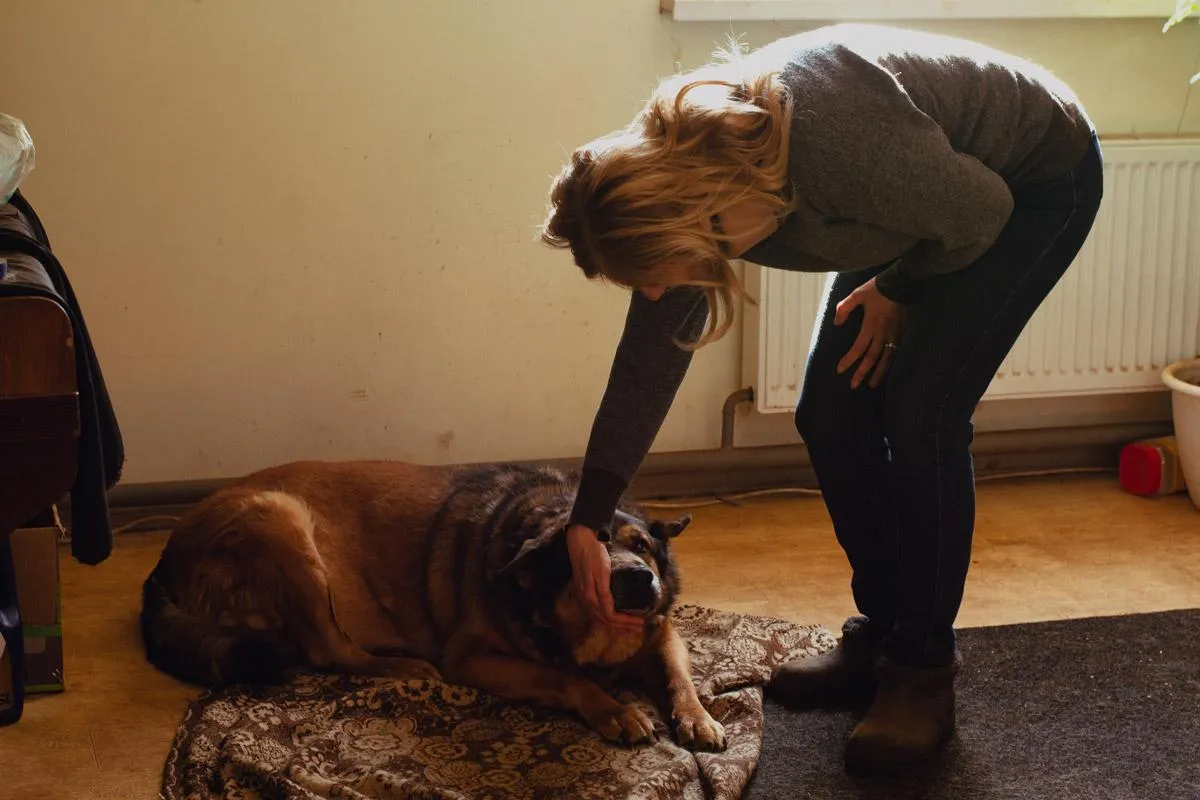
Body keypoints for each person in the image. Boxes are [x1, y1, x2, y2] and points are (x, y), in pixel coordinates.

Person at [539, 23, 1102, 773]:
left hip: (1029, 184)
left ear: (687, 211)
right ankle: (885, 631)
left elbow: (978, 213)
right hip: (924, 196)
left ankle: (923, 672)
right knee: (830, 413)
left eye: (655, 270)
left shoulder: (833, 145)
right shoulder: (683, 197)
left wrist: (900, 287)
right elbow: (646, 364)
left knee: (922, 414)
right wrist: (589, 518)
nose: (653, 290)